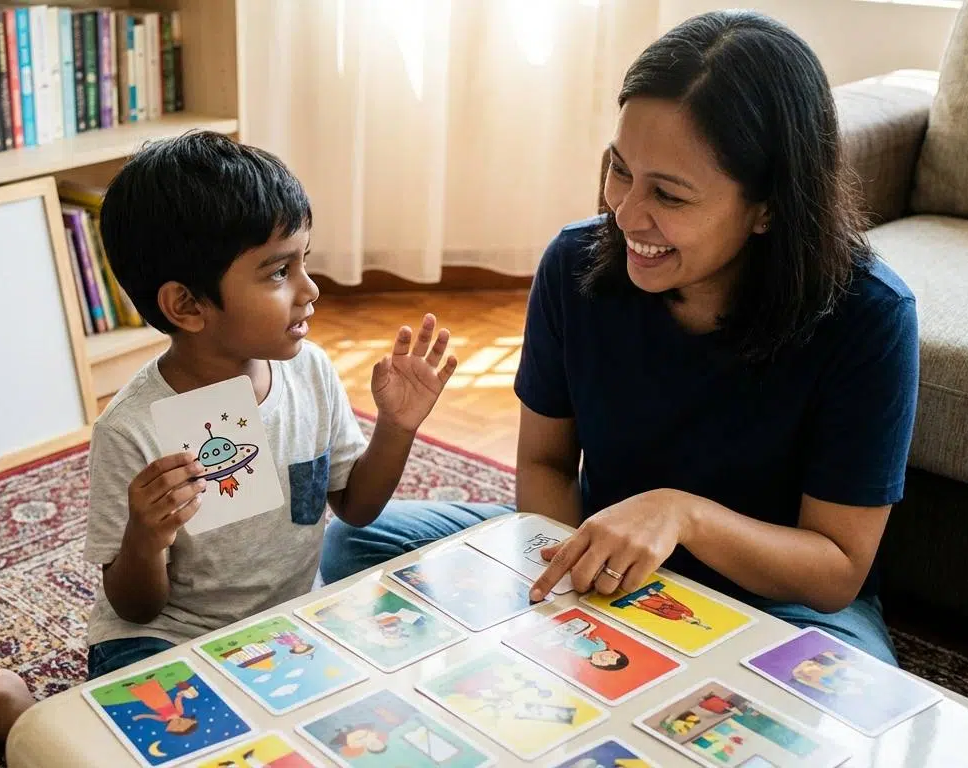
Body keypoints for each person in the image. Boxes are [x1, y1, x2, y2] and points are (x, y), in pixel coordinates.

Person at [318, 9, 919, 666]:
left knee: (858, 688)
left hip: (774, 598)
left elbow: (836, 571)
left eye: (670, 195)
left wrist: (681, 516)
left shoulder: (870, 316)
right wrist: (575, 585)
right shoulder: (573, 265)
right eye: (620, 169)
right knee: (358, 542)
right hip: (595, 551)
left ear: (767, 207)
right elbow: (544, 466)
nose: (626, 213)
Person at [0, 131, 459, 762]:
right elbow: (135, 605)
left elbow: (358, 508)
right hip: (163, 643)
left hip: (283, 630)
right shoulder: (132, 428)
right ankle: (13, 709)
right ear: (186, 305)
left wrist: (396, 428)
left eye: (303, 261)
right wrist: (145, 537)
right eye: (278, 272)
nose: (310, 288)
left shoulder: (309, 372)